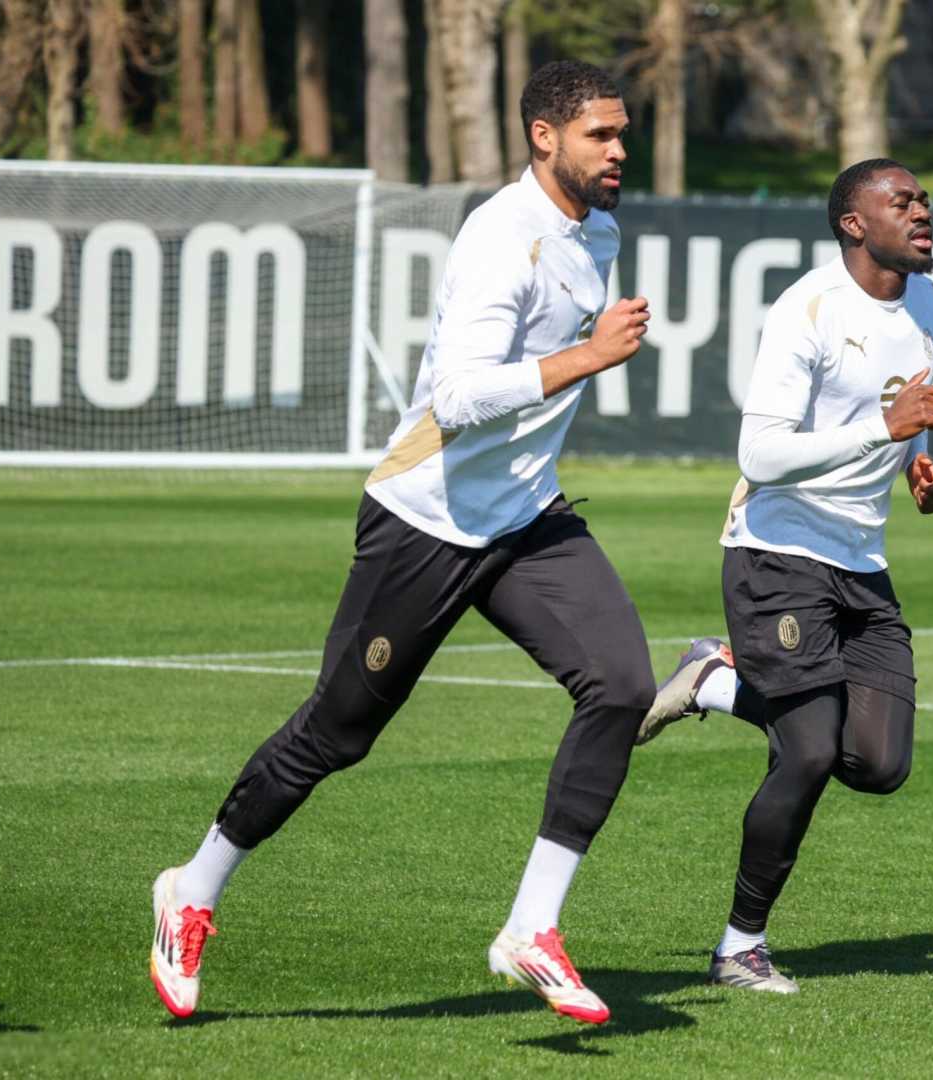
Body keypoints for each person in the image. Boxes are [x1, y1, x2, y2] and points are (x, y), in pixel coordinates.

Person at [149, 60, 654, 1027]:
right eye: (602, 134)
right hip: (426, 519)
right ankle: (195, 887)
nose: (619, 149)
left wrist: (573, 363)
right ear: (544, 136)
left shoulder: (600, 231)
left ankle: (530, 928)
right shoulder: (500, 240)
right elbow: (459, 401)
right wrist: (584, 356)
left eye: (622, 133)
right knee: (338, 734)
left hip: (527, 519)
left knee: (623, 685)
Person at [637, 159, 933, 994]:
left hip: (863, 561)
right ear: (854, 223)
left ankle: (712, 680)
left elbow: (905, 410)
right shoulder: (807, 309)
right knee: (808, 752)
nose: (921, 210)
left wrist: (918, 461)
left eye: (923, 199)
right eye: (902, 201)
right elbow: (761, 455)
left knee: (878, 766)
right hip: (777, 556)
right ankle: (739, 946)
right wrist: (882, 430)